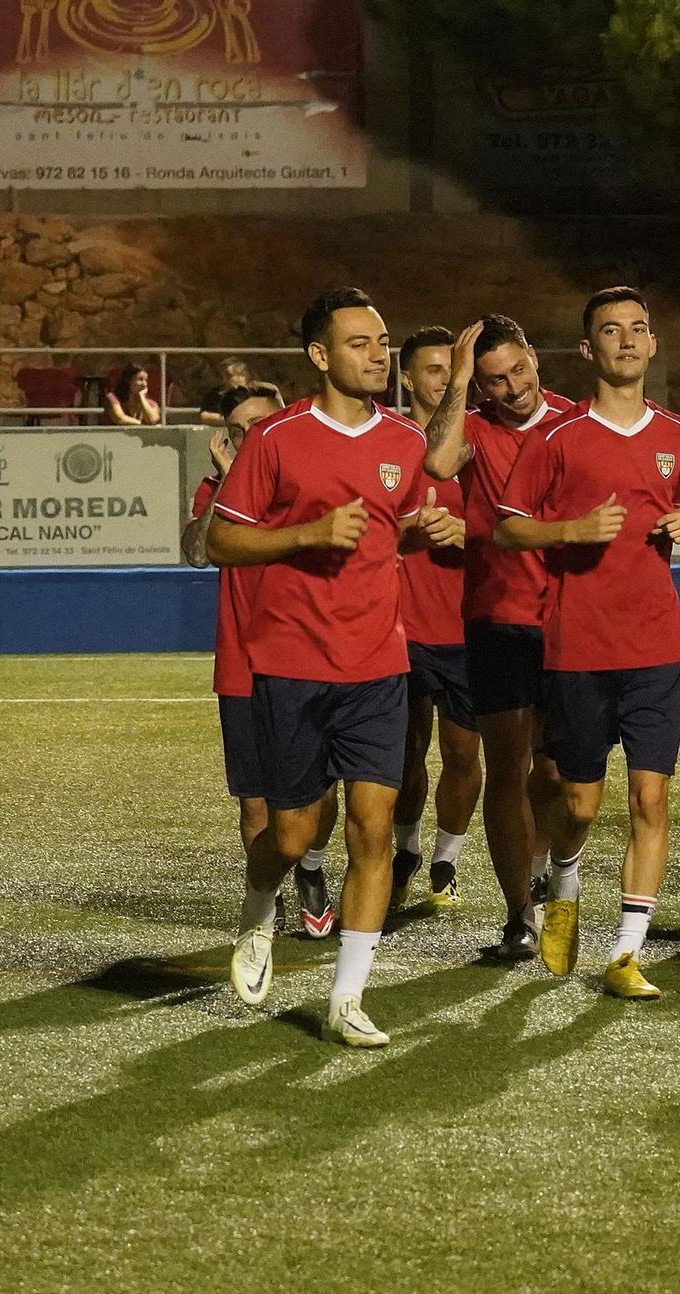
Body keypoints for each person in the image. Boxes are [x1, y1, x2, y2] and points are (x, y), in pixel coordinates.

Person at [208, 286, 463, 1047]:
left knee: (373, 828)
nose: (379, 356)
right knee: (290, 837)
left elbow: (394, 532)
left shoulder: (401, 441)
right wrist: (306, 533)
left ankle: (348, 995)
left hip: (380, 665)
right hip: (291, 665)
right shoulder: (277, 440)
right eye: (359, 343)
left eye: (382, 342)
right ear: (320, 356)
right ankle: (259, 912)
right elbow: (220, 543)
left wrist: (429, 529)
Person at [497, 287, 680, 1001]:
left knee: (651, 798)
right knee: (578, 804)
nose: (626, 340)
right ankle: (564, 882)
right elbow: (509, 525)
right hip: (578, 647)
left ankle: (626, 953)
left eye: (638, 329)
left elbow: (672, 511)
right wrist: (569, 532)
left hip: (656, 647)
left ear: (651, 345)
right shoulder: (553, 440)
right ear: (588, 350)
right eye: (610, 330)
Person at [421, 314, 579, 962]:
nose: (511, 387)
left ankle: (549, 869)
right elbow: (434, 458)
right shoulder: (475, 427)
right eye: (494, 379)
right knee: (507, 770)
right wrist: (456, 381)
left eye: (518, 370)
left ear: (535, 358)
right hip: (496, 616)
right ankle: (520, 916)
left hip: (571, 619)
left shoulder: (575, 422)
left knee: (559, 773)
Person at [180, 382, 341, 934]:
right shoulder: (216, 488)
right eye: (237, 430)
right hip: (244, 664)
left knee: (320, 793)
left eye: (260, 423)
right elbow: (198, 553)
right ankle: (263, 905)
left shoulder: (312, 479)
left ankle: (313, 870)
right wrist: (228, 481)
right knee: (255, 803)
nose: (250, 437)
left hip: (313, 656)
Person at [392, 326, 482, 910]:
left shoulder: (480, 438)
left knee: (462, 753)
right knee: (401, 756)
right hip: (394, 629)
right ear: (406, 377)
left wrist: (470, 532)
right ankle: (405, 849)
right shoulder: (385, 438)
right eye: (431, 370)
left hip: (465, 627)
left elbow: (514, 521)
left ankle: (446, 860)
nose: (443, 380)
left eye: (452, 369)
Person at [199, 358, 280, 426]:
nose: (224, 378)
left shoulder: (259, 391)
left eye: (228, 375)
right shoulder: (215, 395)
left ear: (242, 375)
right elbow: (204, 416)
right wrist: (232, 420)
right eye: (223, 374)